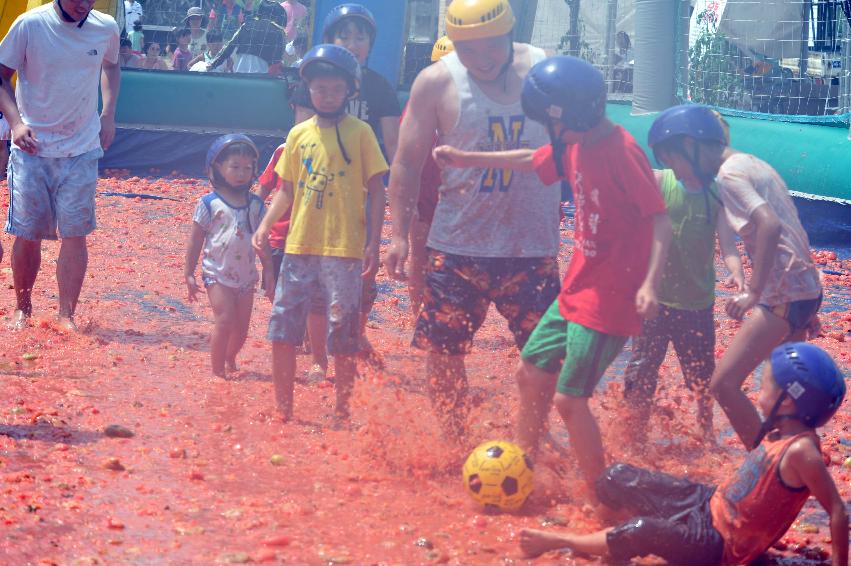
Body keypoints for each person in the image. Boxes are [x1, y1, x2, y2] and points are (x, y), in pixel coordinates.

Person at [432, 56, 672, 487]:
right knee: (530, 372)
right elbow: (532, 158)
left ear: (571, 115)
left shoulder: (621, 150)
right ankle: (525, 466)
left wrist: (651, 284)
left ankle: (602, 493)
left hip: (610, 297)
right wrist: (466, 158)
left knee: (569, 399)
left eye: (550, 122)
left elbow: (659, 218)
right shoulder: (574, 144)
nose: (549, 132)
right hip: (577, 290)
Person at [385, 0, 562, 439]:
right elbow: (406, 164)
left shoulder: (545, 73)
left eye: (491, 47)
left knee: (545, 356)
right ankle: (454, 439)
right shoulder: (436, 82)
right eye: (469, 49)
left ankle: (532, 441)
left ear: (509, 34)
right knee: (443, 353)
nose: (481, 58)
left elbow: (581, 146)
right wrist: (399, 236)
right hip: (458, 245)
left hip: (531, 247)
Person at [517, 342, 847, 566]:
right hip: (710, 503)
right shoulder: (781, 427)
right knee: (616, 478)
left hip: (720, 544)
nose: (758, 390)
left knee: (641, 530)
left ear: (788, 401)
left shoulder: (802, 451)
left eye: (766, 385)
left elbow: (838, 512)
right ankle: (614, 536)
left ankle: (564, 540)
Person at [650, 105, 824, 450]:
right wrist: (808, 299)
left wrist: (753, 292)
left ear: (691, 145)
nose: (675, 170)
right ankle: (797, 460)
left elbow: (770, 225)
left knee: (723, 385)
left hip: (781, 297)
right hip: (803, 290)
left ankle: (763, 466)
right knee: (784, 389)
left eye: (674, 161)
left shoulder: (728, 175)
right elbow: (791, 225)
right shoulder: (753, 163)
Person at [252, 45, 388, 423]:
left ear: (350, 90)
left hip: (344, 250)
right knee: (283, 325)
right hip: (298, 246)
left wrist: (375, 243)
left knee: (343, 330)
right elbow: (286, 190)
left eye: (334, 88)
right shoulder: (297, 135)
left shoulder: (361, 134)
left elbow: (377, 190)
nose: (326, 94)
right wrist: (264, 224)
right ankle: (283, 408)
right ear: (306, 89)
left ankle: (342, 410)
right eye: (318, 88)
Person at [291, 3, 403, 374]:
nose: (353, 43)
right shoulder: (310, 86)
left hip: (360, 198)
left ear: (370, 43)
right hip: (319, 195)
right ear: (330, 40)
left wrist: (399, 195)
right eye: (345, 36)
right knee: (314, 274)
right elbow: (301, 142)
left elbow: (394, 145)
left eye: (360, 36)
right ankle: (320, 350)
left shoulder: (380, 87)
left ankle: (352, 334)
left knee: (362, 276)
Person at [623, 105, 745, 442]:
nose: (669, 165)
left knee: (701, 377)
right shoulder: (661, 181)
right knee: (641, 369)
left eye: (673, 157)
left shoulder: (716, 195)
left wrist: (739, 276)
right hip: (655, 301)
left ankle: (704, 432)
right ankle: (633, 432)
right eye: (665, 158)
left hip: (695, 303)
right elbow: (629, 179)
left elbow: (728, 245)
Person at [0, 0, 121, 332]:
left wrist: (108, 112)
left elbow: (111, 65)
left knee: (75, 233)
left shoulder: (105, 27)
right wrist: (16, 123)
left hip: (81, 148)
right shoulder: (29, 25)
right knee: (27, 234)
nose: (83, 4)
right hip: (32, 149)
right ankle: (22, 308)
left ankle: (67, 314)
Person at [185, 135, 271, 378]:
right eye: (234, 167)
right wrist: (189, 273)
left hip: (246, 278)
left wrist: (270, 273)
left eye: (248, 168)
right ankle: (217, 372)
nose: (241, 173)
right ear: (217, 168)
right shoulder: (209, 204)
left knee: (241, 330)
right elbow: (195, 240)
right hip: (217, 275)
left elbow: (263, 243)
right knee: (224, 320)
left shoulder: (256, 206)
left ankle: (229, 356)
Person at [406, 35, 454, 316]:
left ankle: (444, 314)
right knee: (420, 256)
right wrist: (407, 202)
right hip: (424, 198)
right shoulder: (418, 107)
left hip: (456, 201)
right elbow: (405, 161)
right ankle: (416, 315)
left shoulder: (472, 108)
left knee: (453, 262)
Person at [208, 0, 286, 75]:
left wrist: (212, 64)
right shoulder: (279, 32)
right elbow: (276, 63)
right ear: (277, 15)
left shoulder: (246, 25)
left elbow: (228, 48)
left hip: (239, 75)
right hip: (261, 78)